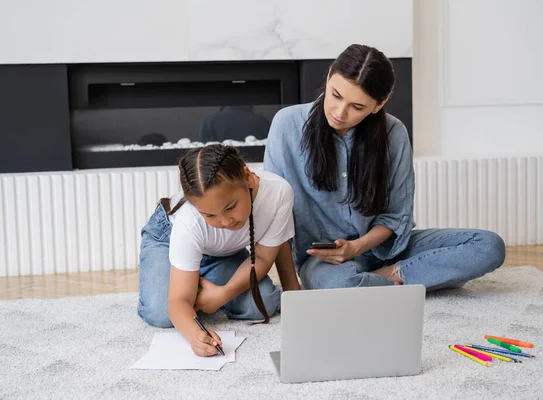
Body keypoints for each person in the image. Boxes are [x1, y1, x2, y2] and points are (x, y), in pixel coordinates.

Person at [264, 44, 506, 291]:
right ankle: (413, 279)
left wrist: (357, 247)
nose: (339, 112)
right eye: (336, 95)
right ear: (328, 77)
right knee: (336, 283)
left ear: (378, 105)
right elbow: (273, 216)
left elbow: (396, 216)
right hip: (326, 262)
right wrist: (292, 289)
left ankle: (388, 277)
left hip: (386, 249)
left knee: (488, 246)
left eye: (357, 107)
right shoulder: (287, 125)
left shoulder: (394, 133)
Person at [138, 144, 301, 356]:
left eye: (231, 207)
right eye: (210, 215)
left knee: (266, 301)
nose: (225, 221)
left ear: (247, 176)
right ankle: (187, 278)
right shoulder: (189, 220)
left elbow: (263, 256)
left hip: (222, 253)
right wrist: (195, 335)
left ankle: (197, 280)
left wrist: (223, 294)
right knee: (161, 313)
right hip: (167, 237)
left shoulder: (279, 192)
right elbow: (178, 302)